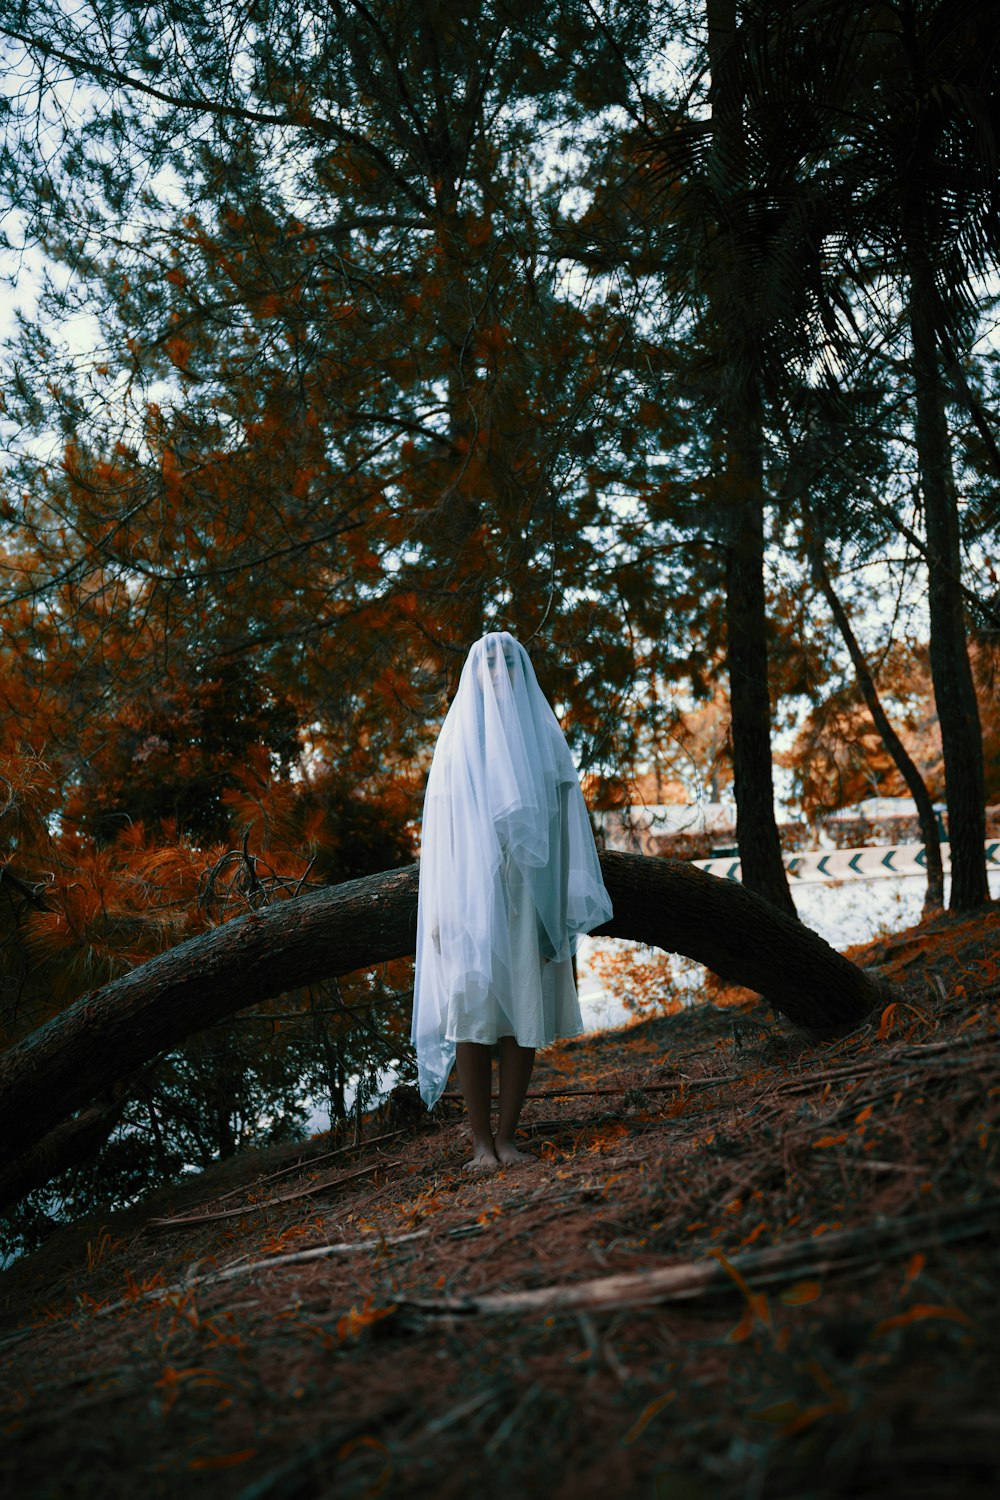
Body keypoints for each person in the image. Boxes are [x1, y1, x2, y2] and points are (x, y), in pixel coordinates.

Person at [411, 631, 613, 1170]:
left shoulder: (545, 745)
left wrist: (560, 916)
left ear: (522, 674)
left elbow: (566, 834)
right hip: (468, 908)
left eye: (509, 666)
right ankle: (479, 1144)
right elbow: (440, 842)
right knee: (473, 1020)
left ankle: (507, 1138)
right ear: (475, 676)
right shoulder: (456, 750)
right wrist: (439, 915)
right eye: (490, 667)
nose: (499, 675)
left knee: (525, 1013)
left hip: (530, 902)